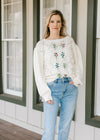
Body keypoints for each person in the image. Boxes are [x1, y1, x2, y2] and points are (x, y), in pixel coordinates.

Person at [33, 10, 83, 140]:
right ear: (48, 24)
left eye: (58, 21)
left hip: (70, 88)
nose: (55, 24)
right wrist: (45, 93)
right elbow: (38, 71)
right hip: (52, 88)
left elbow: (78, 61)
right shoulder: (41, 45)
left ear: (62, 24)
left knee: (65, 129)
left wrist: (76, 78)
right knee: (49, 131)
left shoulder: (69, 41)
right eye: (52, 21)